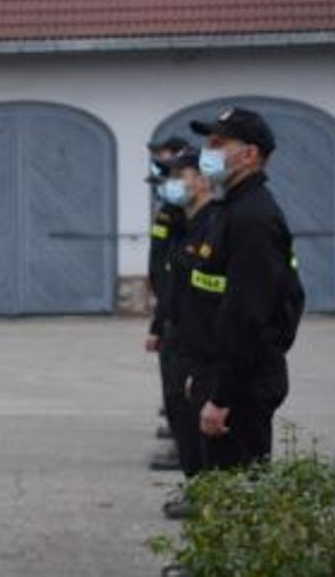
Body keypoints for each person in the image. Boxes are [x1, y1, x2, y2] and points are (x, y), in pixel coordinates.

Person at [180, 107, 305, 473]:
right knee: (219, 493)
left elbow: (248, 317)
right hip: (219, 374)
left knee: (236, 494)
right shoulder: (230, 209)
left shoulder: (253, 219)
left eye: (218, 143)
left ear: (249, 155)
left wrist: (221, 397)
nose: (208, 152)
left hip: (239, 387)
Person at [155, 149, 216, 519]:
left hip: (199, 341)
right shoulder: (188, 221)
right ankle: (198, 488)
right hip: (178, 330)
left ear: (203, 179)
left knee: (198, 419)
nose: (174, 183)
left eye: (182, 175)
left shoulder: (214, 224)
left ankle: (207, 495)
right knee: (180, 410)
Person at [145, 136, 192, 472]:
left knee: (182, 391)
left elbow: (176, 272)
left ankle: (185, 448)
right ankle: (181, 442)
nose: (166, 185)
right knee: (174, 390)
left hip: (186, 316)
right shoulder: (171, 211)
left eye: (172, 177)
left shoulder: (189, 217)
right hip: (172, 311)